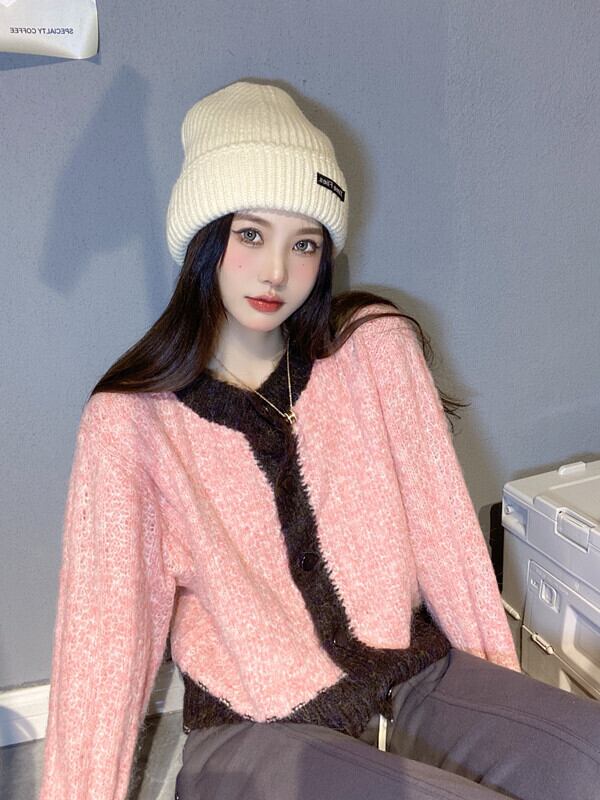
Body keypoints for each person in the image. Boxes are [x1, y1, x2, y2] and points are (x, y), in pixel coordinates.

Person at [39, 81, 600, 800]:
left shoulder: (375, 349)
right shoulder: (133, 422)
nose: (277, 270)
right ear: (204, 239)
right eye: (250, 234)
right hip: (254, 729)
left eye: (304, 243)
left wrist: (501, 708)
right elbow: (103, 644)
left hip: (410, 675)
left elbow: (448, 541)